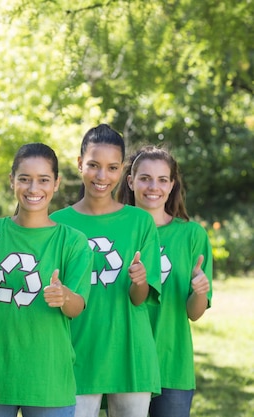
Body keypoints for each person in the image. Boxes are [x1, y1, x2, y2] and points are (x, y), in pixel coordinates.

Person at [0, 143, 93, 417]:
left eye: (43, 180)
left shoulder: (73, 242)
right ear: (12, 181)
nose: (34, 188)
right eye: (24, 179)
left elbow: (77, 306)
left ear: (57, 183)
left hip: (49, 384)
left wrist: (64, 296)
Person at [49, 124, 162, 417]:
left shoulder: (140, 222)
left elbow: (140, 298)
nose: (102, 176)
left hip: (129, 355)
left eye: (112, 168)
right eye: (94, 166)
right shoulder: (56, 223)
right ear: (79, 164)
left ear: (122, 170)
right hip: (76, 352)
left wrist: (139, 280)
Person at [117, 145, 212, 417]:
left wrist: (200, 292)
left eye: (162, 180)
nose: (152, 187)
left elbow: (194, 314)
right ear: (130, 181)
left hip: (172, 364)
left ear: (172, 186)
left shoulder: (192, 235)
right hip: (126, 361)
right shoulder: (116, 233)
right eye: (145, 178)